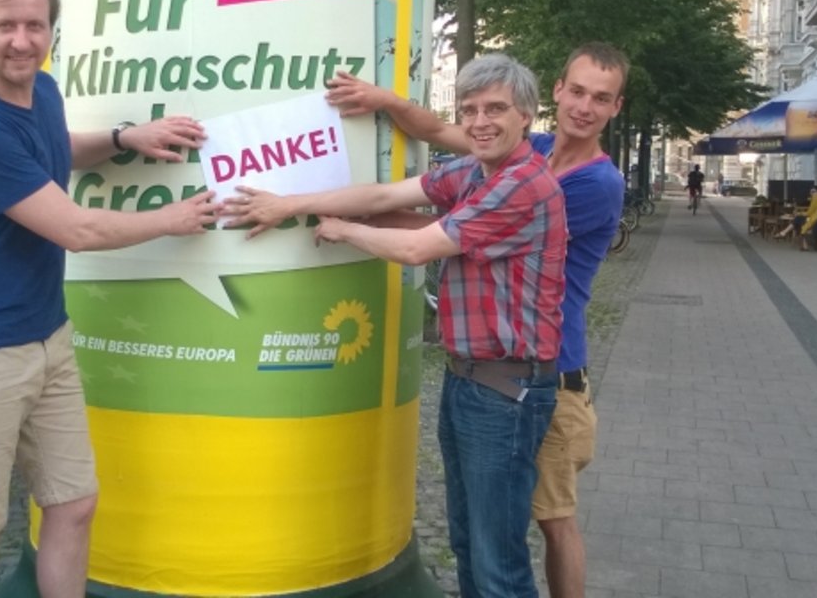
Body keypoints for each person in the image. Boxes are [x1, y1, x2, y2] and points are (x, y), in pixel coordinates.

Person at [0, 0, 221, 598]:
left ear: (51, 31)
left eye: (35, 25)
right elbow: (74, 230)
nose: (22, 40)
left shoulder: (43, 90)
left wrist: (122, 137)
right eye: (6, 25)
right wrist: (170, 219)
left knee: (74, 503)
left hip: (45, 337)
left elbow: (54, 148)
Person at [225, 53, 567, 598]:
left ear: (526, 115)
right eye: (471, 110)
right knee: (467, 543)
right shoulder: (477, 172)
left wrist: (340, 230)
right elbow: (386, 196)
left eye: (496, 109)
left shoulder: (522, 183)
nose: (480, 122)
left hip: (506, 390)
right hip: (472, 379)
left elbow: (414, 247)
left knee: (497, 559)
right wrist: (292, 203)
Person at [325, 42, 629, 598]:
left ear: (616, 107)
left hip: (550, 374)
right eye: (579, 91)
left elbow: (455, 227)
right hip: (489, 369)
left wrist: (354, 220)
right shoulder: (526, 144)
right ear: (556, 92)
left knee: (549, 527)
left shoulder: (585, 184)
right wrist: (384, 99)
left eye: (601, 99)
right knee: (481, 536)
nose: (585, 107)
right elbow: (443, 133)